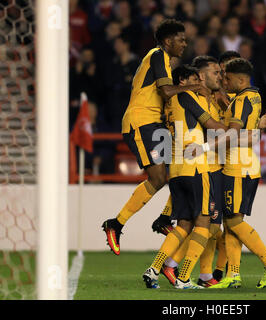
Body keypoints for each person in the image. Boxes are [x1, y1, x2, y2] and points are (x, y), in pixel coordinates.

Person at [102, 19, 209, 255]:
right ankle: (116, 224)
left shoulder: (165, 63)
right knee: (159, 176)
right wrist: (193, 89)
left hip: (154, 123)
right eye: (181, 39)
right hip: (142, 122)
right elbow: (166, 91)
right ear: (168, 41)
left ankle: (164, 218)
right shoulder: (157, 54)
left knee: (177, 170)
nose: (185, 42)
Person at [189, 58, 266, 289]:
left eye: (227, 78)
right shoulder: (254, 96)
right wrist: (257, 130)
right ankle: (233, 275)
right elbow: (247, 134)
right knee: (232, 223)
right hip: (245, 165)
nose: (224, 81)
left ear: (241, 79)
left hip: (239, 167)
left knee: (233, 220)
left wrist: (204, 147)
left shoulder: (241, 100)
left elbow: (232, 135)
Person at [142, 65, 215, 289]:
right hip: (195, 166)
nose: (198, 83)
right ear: (183, 81)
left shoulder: (170, 102)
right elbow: (212, 125)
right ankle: (183, 277)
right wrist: (243, 131)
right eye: (195, 78)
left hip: (175, 169)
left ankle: (154, 268)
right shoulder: (186, 96)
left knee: (183, 224)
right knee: (204, 222)